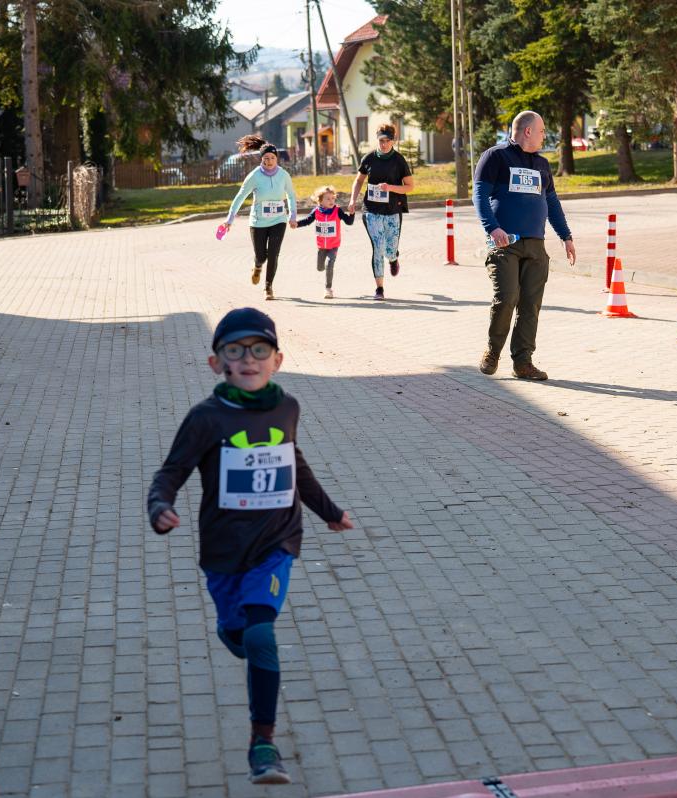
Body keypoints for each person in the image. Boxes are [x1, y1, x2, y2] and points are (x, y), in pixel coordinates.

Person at [146, 307, 353, 785]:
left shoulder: (287, 408)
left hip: (277, 542)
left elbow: (295, 464)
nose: (248, 360)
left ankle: (263, 743)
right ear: (215, 363)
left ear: (277, 360)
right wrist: (159, 507)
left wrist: (329, 511)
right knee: (239, 633)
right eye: (235, 351)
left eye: (259, 350)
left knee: (261, 636)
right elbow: (171, 472)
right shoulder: (206, 418)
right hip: (223, 550)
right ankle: (231, 630)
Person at [472, 110, 576, 381]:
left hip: (535, 246)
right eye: (542, 131)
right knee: (507, 298)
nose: (544, 135)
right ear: (528, 131)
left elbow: (552, 202)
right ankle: (493, 352)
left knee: (530, 306)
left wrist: (565, 235)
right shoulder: (495, 156)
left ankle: (523, 362)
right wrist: (492, 228)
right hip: (505, 244)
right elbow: (479, 195)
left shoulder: (542, 164)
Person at [219, 135, 298, 301]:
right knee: (261, 256)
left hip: (279, 220)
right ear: (261, 159)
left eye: (272, 158)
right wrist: (229, 219)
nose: (269, 161)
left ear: (277, 159)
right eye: (266, 158)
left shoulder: (283, 175)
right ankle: (257, 265)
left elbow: (290, 195)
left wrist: (292, 216)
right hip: (258, 222)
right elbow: (240, 197)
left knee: (274, 254)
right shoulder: (254, 176)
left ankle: (268, 287)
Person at [348, 124, 413, 301]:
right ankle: (379, 288)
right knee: (378, 246)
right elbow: (359, 180)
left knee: (390, 249)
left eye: (387, 141)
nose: (383, 144)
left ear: (393, 141)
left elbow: (410, 186)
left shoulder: (399, 160)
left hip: (392, 210)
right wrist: (353, 200)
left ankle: (393, 258)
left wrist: (390, 187)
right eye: (381, 141)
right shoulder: (369, 158)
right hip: (371, 210)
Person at [295, 185, 355, 299]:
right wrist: (296, 224)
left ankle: (328, 289)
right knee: (320, 267)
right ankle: (323, 268)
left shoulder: (337, 211)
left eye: (333, 198)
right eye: (328, 199)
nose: (331, 201)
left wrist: (352, 214)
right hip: (321, 246)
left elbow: (349, 222)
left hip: (334, 245)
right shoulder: (316, 211)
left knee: (329, 264)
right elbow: (307, 221)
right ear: (320, 201)